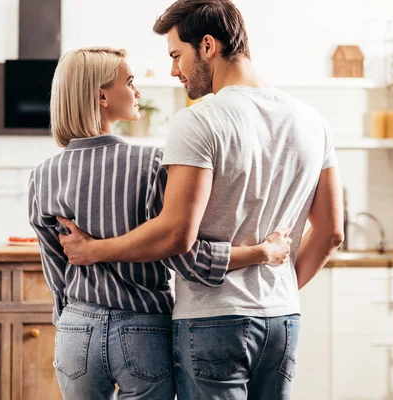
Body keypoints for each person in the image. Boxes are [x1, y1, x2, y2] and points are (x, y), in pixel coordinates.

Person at [57, 1, 345, 399]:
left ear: (207, 46)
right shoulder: (313, 121)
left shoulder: (199, 120)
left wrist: (94, 250)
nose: (175, 70)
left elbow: (176, 233)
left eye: (177, 55)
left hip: (213, 320)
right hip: (283, 320)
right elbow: (331, 232)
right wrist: (279, 288)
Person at [28, 46, 292, 400]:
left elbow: (55, 267)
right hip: (142, 327)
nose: (138, 92)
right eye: (130, 81)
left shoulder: (43, 175)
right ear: (102, 96)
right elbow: (184, 255)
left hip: (76, 327)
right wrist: (260, 252)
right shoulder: (152, 164)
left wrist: (72, 320)